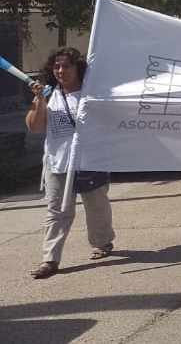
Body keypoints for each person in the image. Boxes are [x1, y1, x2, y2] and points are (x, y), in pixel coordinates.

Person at [25, 47, 116, 279]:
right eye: (56, 66)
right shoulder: (49, 94)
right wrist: (39, 99)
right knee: (57, 211)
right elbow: (35, 128)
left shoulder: (92, 94)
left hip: (91, 161)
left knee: (97, 206)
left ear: (78, 68)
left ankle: (102, 242)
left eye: (66, 65)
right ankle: (50, 259)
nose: (60, 70)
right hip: (58, 163)